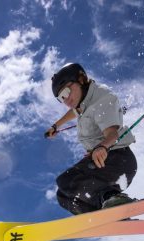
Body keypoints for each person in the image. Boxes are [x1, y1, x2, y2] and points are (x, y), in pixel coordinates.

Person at [45, 62, 137, 215]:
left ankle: (113, 198)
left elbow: (112, 133)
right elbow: (74, 112)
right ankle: (100, 215)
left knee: (66, 181)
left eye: (67, 91)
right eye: (61, 98)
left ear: (81, 80)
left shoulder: (101, 98)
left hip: (118, 160)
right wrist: (56, 125)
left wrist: (101, 147)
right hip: (104, 163)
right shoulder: (83, 103)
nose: (66, 99)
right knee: (64, 195)